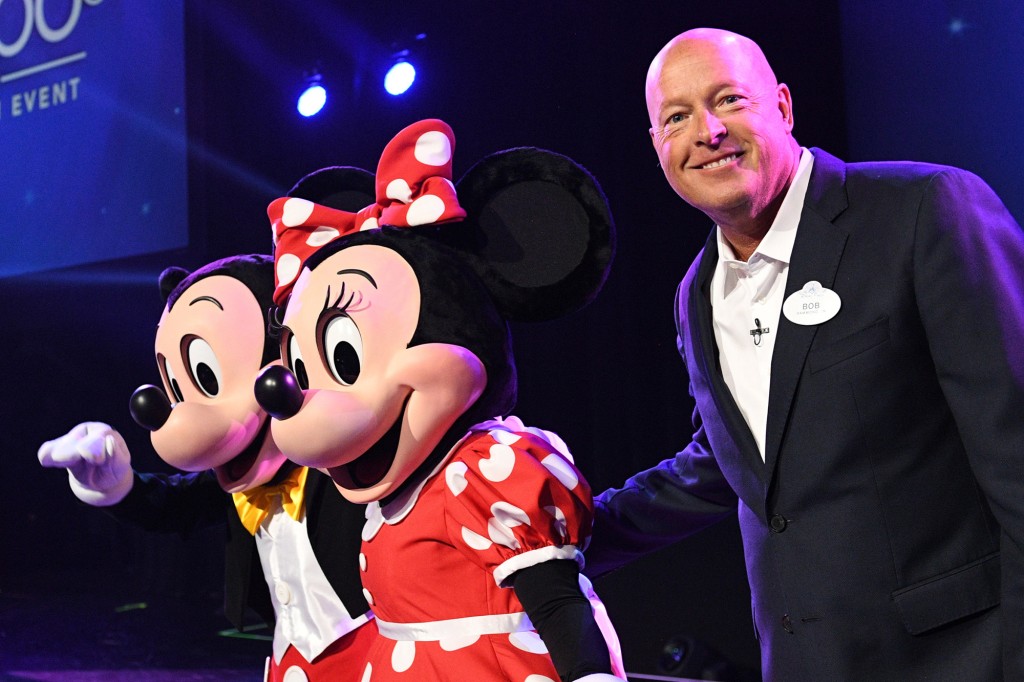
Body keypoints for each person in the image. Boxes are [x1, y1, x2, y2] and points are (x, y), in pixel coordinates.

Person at [583, 27, 1024, 680]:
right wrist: (569, 535)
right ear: (657, 147)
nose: (707, 131)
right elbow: (731, 462)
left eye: (729, 100)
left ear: (783, 107)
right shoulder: (694, 295)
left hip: (966, 660)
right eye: (677, 117)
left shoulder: (923, 211)